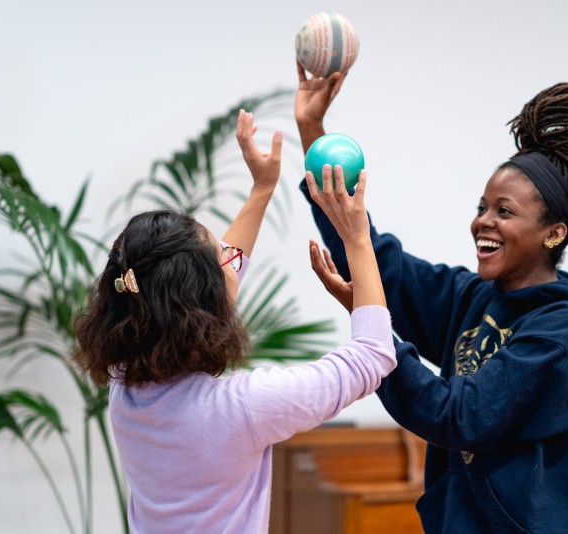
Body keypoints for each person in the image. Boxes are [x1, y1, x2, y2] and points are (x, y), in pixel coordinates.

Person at [295, 64, 568, 533]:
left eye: (504, 212)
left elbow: (461, 417)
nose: (483, 222)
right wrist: (313, 134)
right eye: (482, 208)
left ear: (553, 233)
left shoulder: (567, 329)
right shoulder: (472, 297)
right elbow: (383, 268)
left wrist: (367, 322)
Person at [72, 109, 396, 534]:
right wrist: (356, 235)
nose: (231, 259)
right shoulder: (242, 408)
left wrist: (262, 188)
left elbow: (204, 281)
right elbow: (373, 355)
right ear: (202, 304)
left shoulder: (124, 388)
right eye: (220, 258)